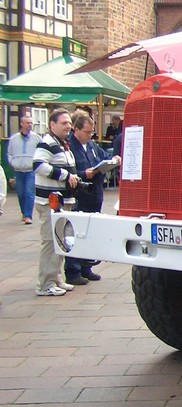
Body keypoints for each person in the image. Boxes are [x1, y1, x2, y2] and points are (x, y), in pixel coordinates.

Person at [65, 110, 120, 285]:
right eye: (87, 132)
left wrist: (114, 160)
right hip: (80, 195)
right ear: (76, 130)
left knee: (90, 232)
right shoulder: (70, 147)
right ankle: (73, 270)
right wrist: (84, 173)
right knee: (76, 232)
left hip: (95, 194)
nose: (90, 135)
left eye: (91, 132)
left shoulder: (92, 146)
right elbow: (69, 173)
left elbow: (104, 157)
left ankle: (86, 267)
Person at [33, 107, 81, 297]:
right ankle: (45, 284)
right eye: (64, 123)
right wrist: (65, 175)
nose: (68, 126)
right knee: (50, 241)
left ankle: (56, 277)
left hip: (63, 200)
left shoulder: (62, 144)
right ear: (52, 125)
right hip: (49, 201)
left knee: (61, 241)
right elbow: (37, 165)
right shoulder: (46, 143)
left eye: (69, 122)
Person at [7, 114, 42, 224]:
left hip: (31, 170)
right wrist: (13, 163)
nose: (29, 125)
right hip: (18, 170)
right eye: (27, 123)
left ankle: (28, 216)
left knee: (29, 192)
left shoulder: (37, 138)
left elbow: (41, 153)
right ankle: (24, 212)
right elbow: (9, 153)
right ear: (21, 124)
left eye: (31, 123)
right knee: (21, 193)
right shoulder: (14, 139)